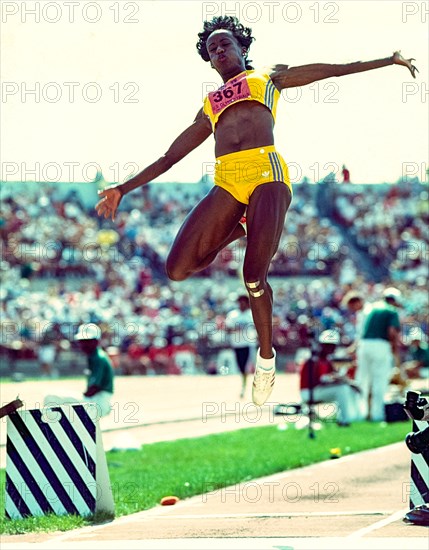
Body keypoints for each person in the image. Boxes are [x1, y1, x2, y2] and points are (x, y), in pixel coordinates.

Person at [95, 15, 418, 406]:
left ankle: (266, 360)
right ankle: (240, 226)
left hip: (267, 173)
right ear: (209, 60)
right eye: (212, 48)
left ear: (242, 47)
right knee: (178, 269)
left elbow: (330, 71)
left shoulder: (268, 77)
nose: (219, 51)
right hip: (228, 181)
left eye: (225, 43)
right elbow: (169, 157)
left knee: (252, 275)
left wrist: (387, 60)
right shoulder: (209, 105)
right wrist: (122, 189)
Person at [44, 324, 114, 418]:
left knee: (51, 397)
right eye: (81, 341)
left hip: (98, 402)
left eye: (87, 341)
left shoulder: (98, 358)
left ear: (96, 342)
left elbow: (93, 389)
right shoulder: (95, 356)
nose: (83, 344)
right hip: (98, 400)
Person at [355, 287, 402, 422]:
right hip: (381, 345)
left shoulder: (371, 308)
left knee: (362, 380)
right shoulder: (391, 310)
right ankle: (377, 415)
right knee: (379, 381)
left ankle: (359, 414)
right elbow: (392, 332)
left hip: (364, 345)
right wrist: (395, 350)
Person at [300, 330, 362, 426]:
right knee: (342, 389)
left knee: (348, 388)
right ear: (321, 345)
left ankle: (356, 416)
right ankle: (344, 420)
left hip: (320, 390)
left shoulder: (327, 360)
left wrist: (348, 382)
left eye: (332, 346)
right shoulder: (313, 359)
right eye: (328, 345)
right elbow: (315, 382)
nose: (330, 348)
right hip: (309, 392)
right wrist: (332, 380)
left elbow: (334, 376)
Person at [225, 294, 256, 398]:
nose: (241, 304)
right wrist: (236, 329)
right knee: (241, 367)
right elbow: (227, 329)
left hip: (248, 344)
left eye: (244, 302)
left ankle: (248, 387)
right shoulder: (233, 315)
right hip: (237, 344)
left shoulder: (251, 314)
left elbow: (256, 328)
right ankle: (244, 385)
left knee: (249, 366)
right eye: (240, 302)